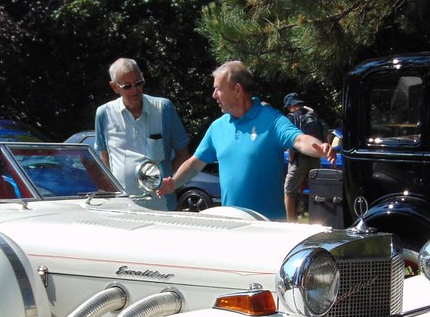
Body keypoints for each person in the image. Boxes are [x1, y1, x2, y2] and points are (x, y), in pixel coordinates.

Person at [158, 61, 333, 221]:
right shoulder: (217, 127)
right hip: (232, 225)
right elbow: (195, 164)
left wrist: (320, 148)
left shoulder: (271, 120)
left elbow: (300, 140)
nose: (214, 95)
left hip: (269, 226)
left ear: (237, 89)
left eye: (218, 89)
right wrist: (174, 183)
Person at [94, 58, 191, 211]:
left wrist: (167, 181)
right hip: (122, 206)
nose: (135, 90)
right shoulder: (104, 114)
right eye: (127, 86)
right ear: (114, 87)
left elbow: (183, 153)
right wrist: (109, 192)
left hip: (161, 204)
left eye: (138, 83)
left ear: (143, 78)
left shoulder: (163, 108)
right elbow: (104, 158)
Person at [282, 92, 327, 222]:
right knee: (317, 191)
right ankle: (320, 219)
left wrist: (291, 156)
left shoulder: (291, 118)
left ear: (291, 106)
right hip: (315, 157)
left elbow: (291, 140)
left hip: (299, 159)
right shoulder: (312, 116)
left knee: (289, 191)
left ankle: (291, 222)